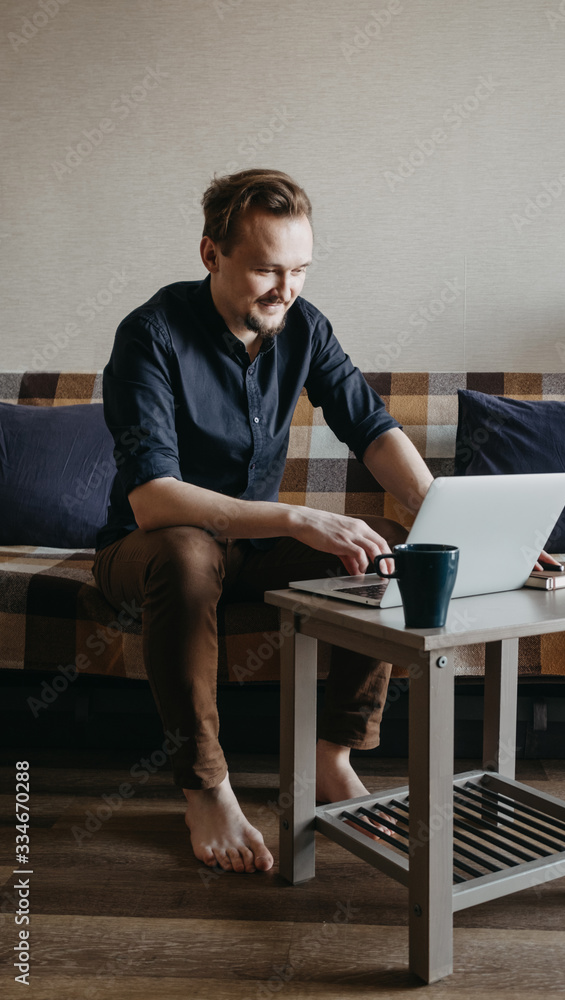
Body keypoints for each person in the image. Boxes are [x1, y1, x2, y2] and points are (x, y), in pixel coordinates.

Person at [92, 168, 436, 875]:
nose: (286, 290)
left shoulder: (303, 325)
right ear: (210, 255)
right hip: (147, 550)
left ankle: (328, 757)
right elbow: (153, 499)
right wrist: (294, 517)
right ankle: (205, 786)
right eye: (266, 270)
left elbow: (370, 428)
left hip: (248, 549)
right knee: (187, 554)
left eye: (300, 270)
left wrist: (452, 521)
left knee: (388, 554)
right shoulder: (149, 335)